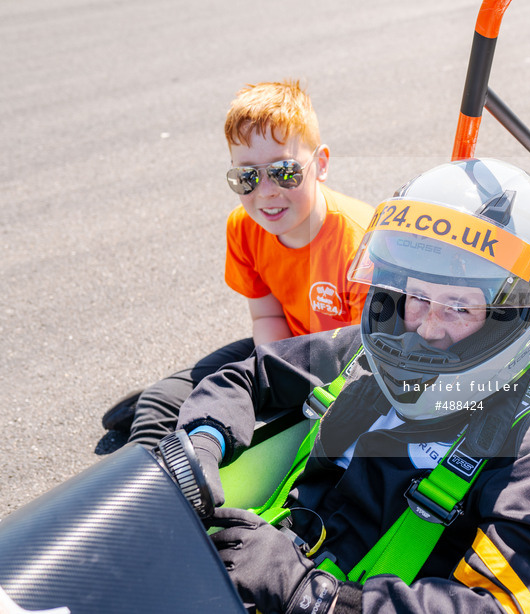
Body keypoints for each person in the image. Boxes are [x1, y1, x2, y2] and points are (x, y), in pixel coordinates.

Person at [178, 158, 530, 614]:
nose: (426, 329)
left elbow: (513, 606)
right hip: (266, 560)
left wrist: (318, 598)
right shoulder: (360, 350)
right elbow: (248, 376)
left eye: (459, 307)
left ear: (511, 320)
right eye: (417, 297)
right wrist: (201, 445)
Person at [103, 80, 372, 449]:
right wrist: (267, 378)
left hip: (342, 371)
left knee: (259, 433)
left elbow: (367, 364)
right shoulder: (244, 227)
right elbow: (267, 319)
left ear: (320, 164)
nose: (266, 191)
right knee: (160, 402)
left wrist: (273, 397)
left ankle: (172, 470)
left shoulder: (361, 247)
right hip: (283, 347)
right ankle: (141, 480)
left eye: (284, 171)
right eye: (246, 176)